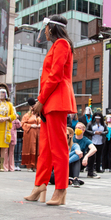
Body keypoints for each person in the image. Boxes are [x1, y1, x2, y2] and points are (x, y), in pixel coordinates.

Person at [25, 15, 76, 206]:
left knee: (59, 148)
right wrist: (41, 102)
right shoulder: (57, 46)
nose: (44, 31)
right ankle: (40, 184)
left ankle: (61, 190)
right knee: (45, 148)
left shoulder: (62, 44)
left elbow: (55, 76)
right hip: (50, 101)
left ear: (52, 28)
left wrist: (40, 100)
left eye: (46, 27)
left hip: (56, 100)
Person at [70, 123, 96, 188]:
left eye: (79, 128)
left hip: (81, 162)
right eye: (76, 128)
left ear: (83, 130)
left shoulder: (85, 140)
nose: (77, 129)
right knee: (77, 155)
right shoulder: (71, 138)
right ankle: (74, 179)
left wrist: (86, 156)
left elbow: (94, 148)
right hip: (69, 160)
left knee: (91, 154)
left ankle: (90, 172)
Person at [86, 112, 105, 177]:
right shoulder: (90, 123)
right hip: (92, 141)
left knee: (99, 156)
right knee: (92, 156)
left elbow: (106, 131)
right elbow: (87, 130)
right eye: (96, 118)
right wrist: (94, 132)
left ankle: (98, 168)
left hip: (100, 141)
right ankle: (90, 168)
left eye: (99, 118)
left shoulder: (103, 124)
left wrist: (101, 133)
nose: (98, 119)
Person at [21, 107, 40, 171]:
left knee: (39, 148)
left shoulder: (40, 115)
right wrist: (31, 125)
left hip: (39, 134)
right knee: (31, 148)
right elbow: (23, 124)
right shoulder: (27, 115)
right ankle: (30, 165)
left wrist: (41, 125)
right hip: (30, 134)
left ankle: (38, 165)